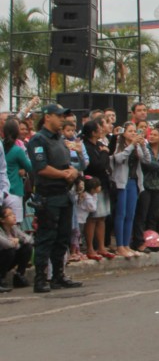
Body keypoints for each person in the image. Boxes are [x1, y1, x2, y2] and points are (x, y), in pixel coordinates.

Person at [26, 103, 83, 292]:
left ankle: (58, 276)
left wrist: (74, 172)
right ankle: (41, 278)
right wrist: (64, 174)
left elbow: (68, 163)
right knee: (46, 237)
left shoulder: (60, 139)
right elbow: (41, 168)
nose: (62, 120)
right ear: (48, 117)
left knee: (62, 237)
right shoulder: (38, 140)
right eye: (59, 116)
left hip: (64, 195)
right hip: (48, 196)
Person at [111, 122, 151, 259]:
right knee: (121, 214)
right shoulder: (119, 145)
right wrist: (131, 145)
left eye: (135, 131)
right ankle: (120, 245)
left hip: (134, 182)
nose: (133, 133)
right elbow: (118, 158)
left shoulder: (137, 146)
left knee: (130, 214)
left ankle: (127, 244)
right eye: (130, 131)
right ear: (124, 133)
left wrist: (143, 146)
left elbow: (147, 160)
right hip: (122, 182)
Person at [132, 125, 159, 252]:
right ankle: (139, 241)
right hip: (145, 186)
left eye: (155, 135)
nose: (152, 136)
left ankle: (152, 241)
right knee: (142, 214)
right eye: (151, 134)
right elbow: (146, 163)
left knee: (154, 215)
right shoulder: (145, 148)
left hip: (158, 186)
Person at [80, 118, 113, 260]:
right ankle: (90, 247)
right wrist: (105, 153)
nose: (101, 130)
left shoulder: (99, 144)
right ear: (93, 132)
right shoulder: (86, 146)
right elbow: (96, 165)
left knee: (102, 217)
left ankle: (101, 246)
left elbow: (106, 163)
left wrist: (105, 153)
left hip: (103, 184)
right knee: (93, 218)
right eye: (99, 128)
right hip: (92, 186)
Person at [2, 117, 31, 225]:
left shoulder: (1, 146)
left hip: (2, 191)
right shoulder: (18, 150)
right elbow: (29, 166)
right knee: (15, 225)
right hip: (14, 191)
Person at [0, 205, 34, 291]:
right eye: (10, 215)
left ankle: (19, 275)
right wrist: (17, 242)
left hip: (7, 258)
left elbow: (30, 239)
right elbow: (8, 244)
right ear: (2, 220)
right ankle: (1, 278)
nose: (14, 216)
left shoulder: (14, 228)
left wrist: (18, 240)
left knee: (27, 248)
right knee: (9, 251)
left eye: (13, 214)